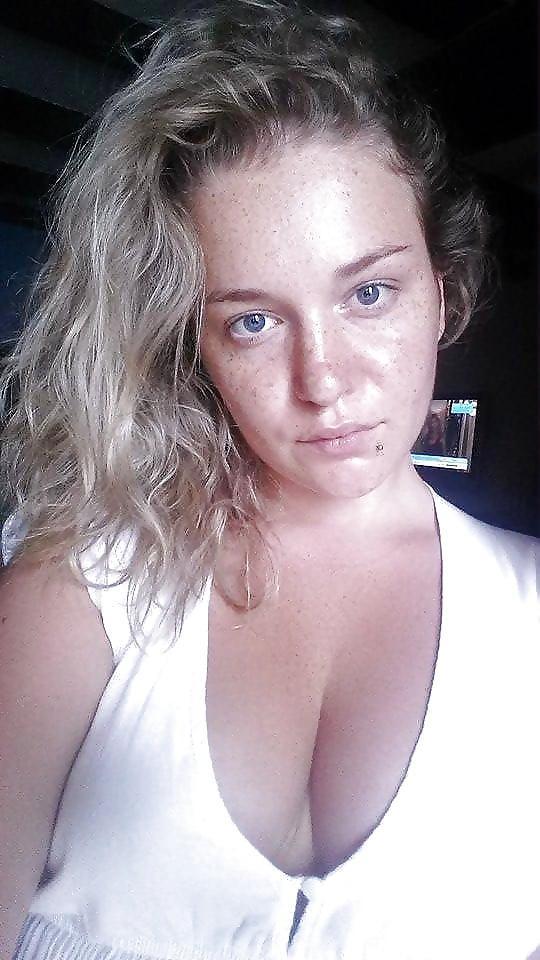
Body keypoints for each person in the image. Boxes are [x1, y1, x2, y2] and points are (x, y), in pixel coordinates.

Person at [0, 1, 538, 958]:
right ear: (193, 345)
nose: (323, 380)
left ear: (442, 290)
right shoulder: (83, 581)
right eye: (251, 321)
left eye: (369, 293)